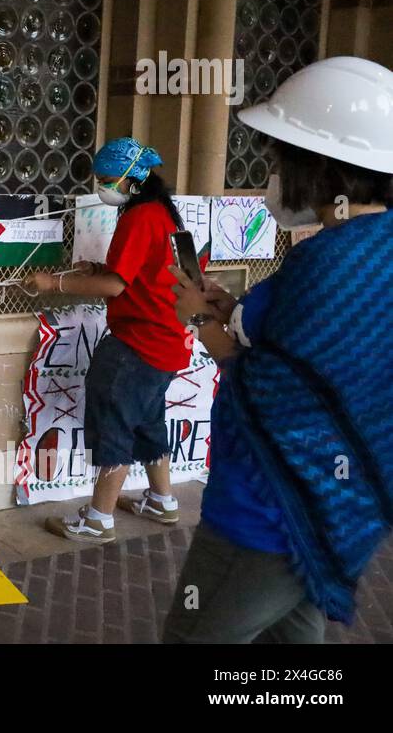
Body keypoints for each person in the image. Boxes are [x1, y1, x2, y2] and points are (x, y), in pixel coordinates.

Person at [164, 56, 393, 643]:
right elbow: (309, 355)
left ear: (321, 167)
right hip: (321, 507)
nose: (275, 172)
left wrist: (203, 325)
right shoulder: (370, 250)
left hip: (274, 509)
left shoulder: (330, 262)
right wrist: (233, 313)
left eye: (280, 158)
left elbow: (279, 390)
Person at [26, 137, 191, 544]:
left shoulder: (140, 217)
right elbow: (143, 272)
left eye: (106, 179)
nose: (102, 187)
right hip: (166, 341)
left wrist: (54, 282)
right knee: (149, 420)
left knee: (113, 424)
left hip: (138, 343)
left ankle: (98, 518)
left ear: (131, 179)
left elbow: (116, 287)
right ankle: (161, 500)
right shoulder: (164, 214)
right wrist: (98, 267)